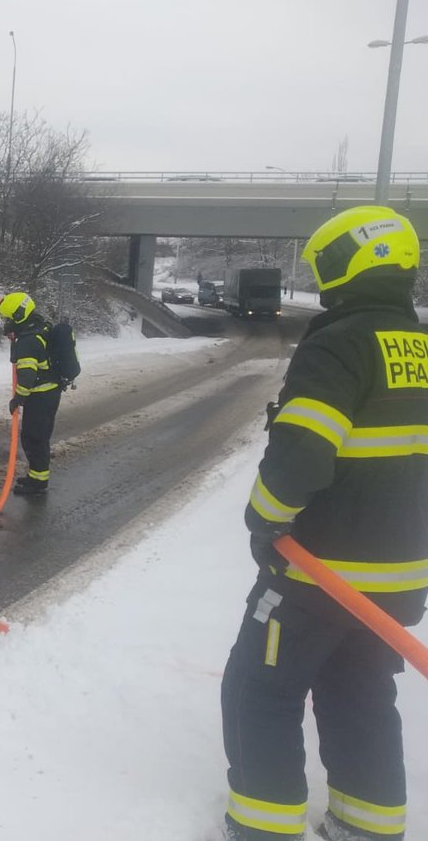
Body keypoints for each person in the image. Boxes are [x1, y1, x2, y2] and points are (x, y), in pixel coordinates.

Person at [219, 206, 428, 841]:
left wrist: (263, 518)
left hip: (320, 575)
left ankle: (264, 827)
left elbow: (302, 454)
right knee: (360, 691)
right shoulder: (420, 346)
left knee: (259, 689)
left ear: (346, 265)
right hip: (397, 581)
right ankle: (368, 825)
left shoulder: (340, 343)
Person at [0, 292, 62, 496]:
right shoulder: (40, 326)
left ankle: (38, 483)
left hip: (40, 395)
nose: (7, 323)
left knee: (34, 438)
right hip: (49, 391)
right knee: (38, 437)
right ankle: (36, 477)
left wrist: (18, 398)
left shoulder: (28, 340)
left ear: (18, 316)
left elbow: (27, 375)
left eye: (9, 318)